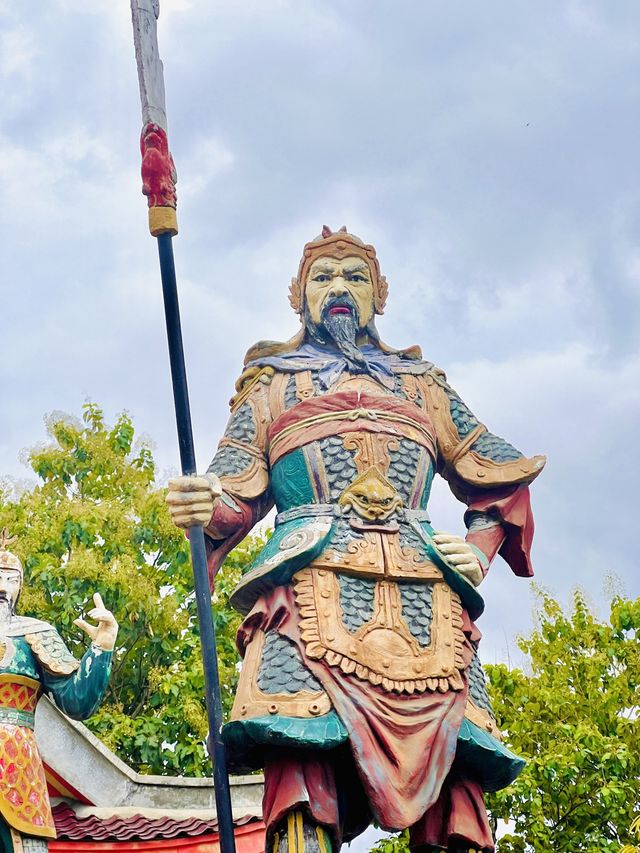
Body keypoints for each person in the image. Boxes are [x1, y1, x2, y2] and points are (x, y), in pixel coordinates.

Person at [166, 227, 545, 853]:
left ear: (380, 293)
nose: (338, 288)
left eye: (354, 276)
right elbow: (233, 491)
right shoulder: (268, 387)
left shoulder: (422, 384)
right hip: (306, 592)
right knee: (297, 752)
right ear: (298, 295)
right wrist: (203, 503)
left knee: (460, 774)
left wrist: (477, 553)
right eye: (323, 277)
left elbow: (498, 475)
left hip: (428, 601)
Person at [0, 529, 118, 853]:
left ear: (20, 586)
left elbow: (76, 701)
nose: (1, 588)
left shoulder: (35, 634)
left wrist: (102, 645)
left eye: (10, 579)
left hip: (16, 764)